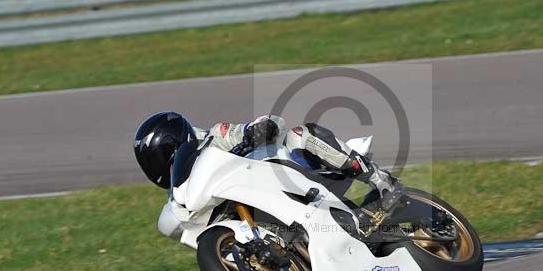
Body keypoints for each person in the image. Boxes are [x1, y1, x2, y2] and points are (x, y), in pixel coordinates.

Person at [133, 111, 402, 208]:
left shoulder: (216, 138)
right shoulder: (184, 192)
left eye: (164, 157)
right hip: (265, 203)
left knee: (300, 134)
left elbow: (271, 122)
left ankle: (380, 180)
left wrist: (258, 130)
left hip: (293, 173)